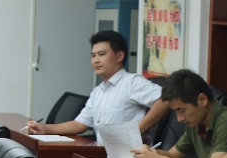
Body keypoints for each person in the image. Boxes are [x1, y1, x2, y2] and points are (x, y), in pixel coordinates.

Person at [27, 30, 167, 137]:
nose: (96, 60)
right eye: (93, 55)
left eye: (102, 54)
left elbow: (165, 99)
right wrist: (46, 128)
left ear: (119, 56)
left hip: (129, 156)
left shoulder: (131, 82)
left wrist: (137, 130)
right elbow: (80, 124)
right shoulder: (98, 91)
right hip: (102, 154)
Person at [131, 69, 227, 158]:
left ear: (202, 100)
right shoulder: (196, 123)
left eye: (182, 110)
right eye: (176, 112)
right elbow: (172, 155)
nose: (179, 119)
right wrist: (151, 153)